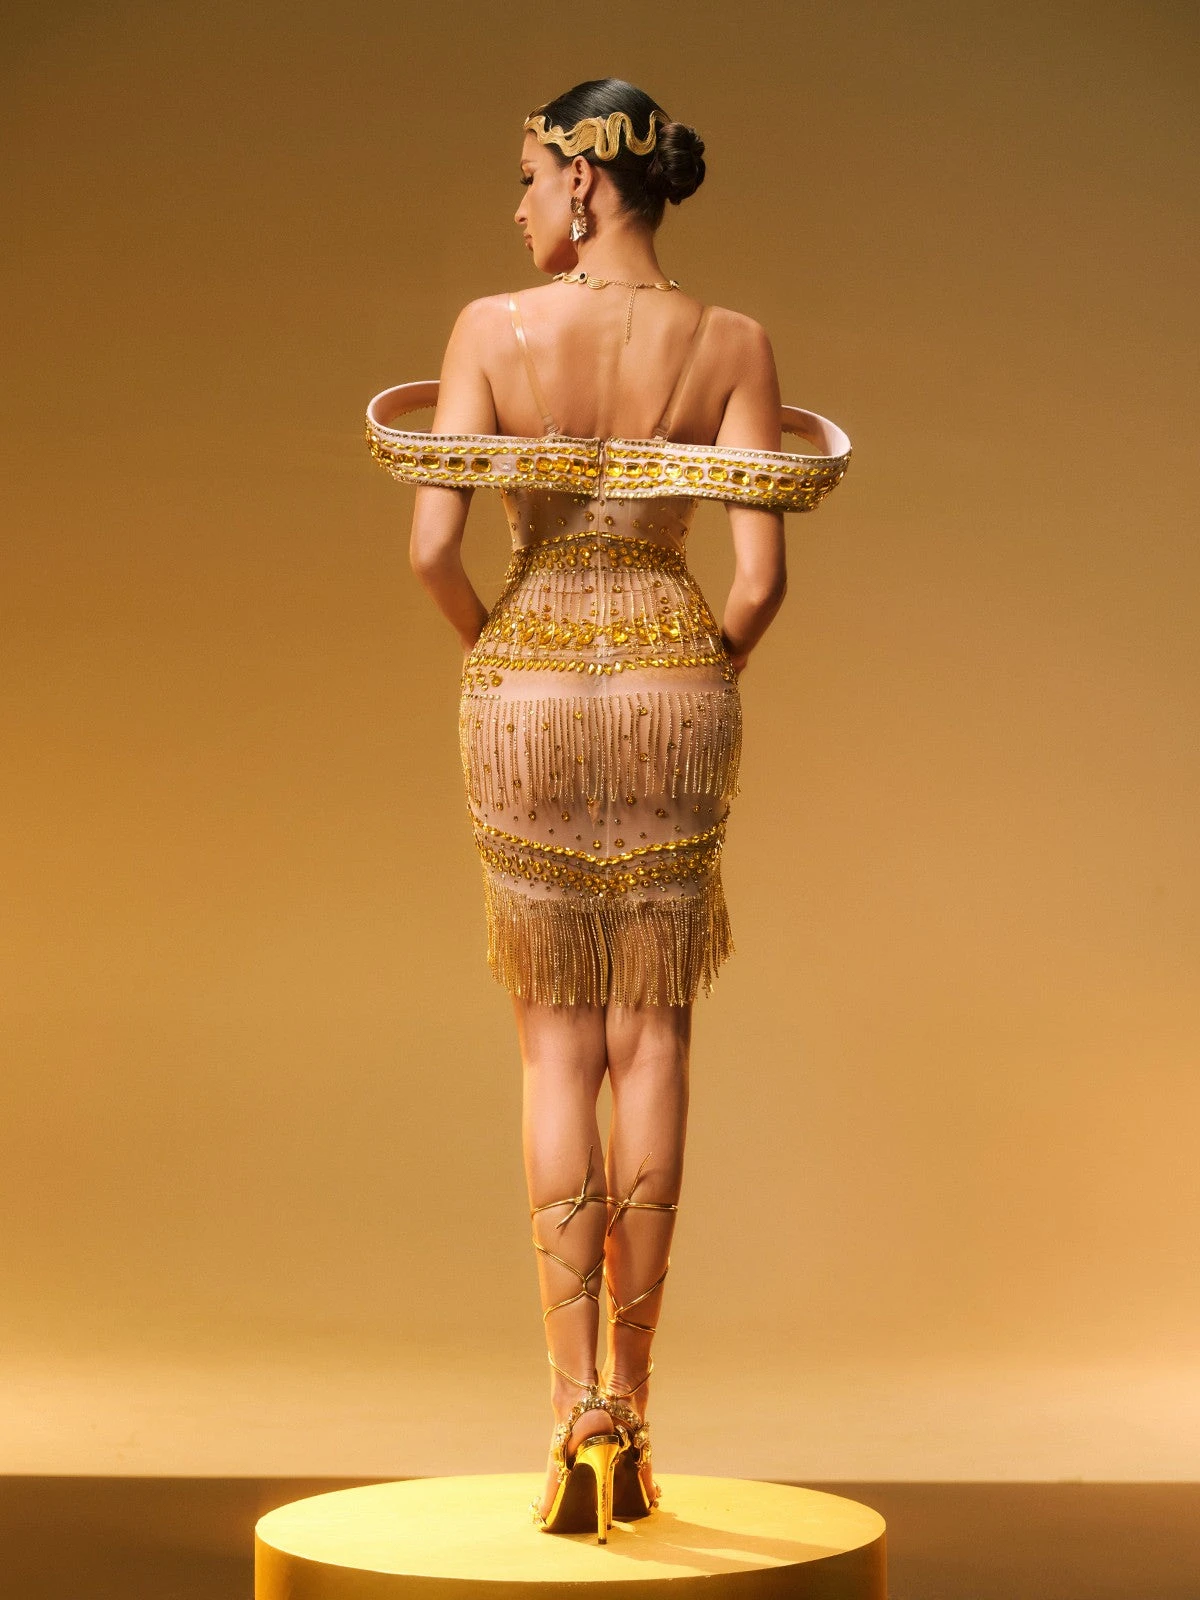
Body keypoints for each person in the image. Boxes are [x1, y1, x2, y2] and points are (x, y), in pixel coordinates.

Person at [365, 78, 851, 1544]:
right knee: (654, 1037)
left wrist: (503, 651)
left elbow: (432, 549)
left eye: (528, 176)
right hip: (673, 682)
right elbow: (760, 579)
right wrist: (693, 666)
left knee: (554, 1044)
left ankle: (570, 1402)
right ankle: (633, 1412)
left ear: (584, 180)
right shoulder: (734, 344)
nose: (518, 205)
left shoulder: (488, 330)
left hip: (524, 682)